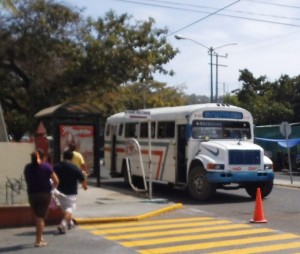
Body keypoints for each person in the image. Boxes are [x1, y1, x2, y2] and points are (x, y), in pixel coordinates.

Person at [24, 149, 59, 247]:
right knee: (40, 217)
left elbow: (27, 180)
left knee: (39, 216)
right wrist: (52, 189)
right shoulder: (46, 167)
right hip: (44, 194)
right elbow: (56, 180)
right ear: (43, 157)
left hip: (31, 194)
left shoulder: (27, 167)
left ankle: (41, 237)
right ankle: (38, 241)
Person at [54, 150, 88, 234]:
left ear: (63, 157)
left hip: (58, 192)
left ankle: (70, 223)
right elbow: (82, 179)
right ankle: (63, 224)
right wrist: (85, 187)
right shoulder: (74, 167)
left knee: (65, 209)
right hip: (70, 193)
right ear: (72, 158)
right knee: (70, 209)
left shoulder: (56, 166)